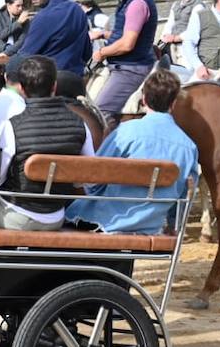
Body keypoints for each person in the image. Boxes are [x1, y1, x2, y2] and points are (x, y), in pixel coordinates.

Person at [66, 69, 198, 234]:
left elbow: (95, 178)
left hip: (104, 222)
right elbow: (184, 196)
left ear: (143, 99)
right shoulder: (188, 146)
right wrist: (172, 224)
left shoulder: (126, 132)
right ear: (174, 103)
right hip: (151, 226)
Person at [0, 55, 95, 231]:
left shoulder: (13, 125)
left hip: (16, 215)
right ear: (54, 85)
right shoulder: (80, 124)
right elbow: (86, 177)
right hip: (56, 216)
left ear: (21, 88)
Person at [92, 0, 158, 126]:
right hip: (124, 64)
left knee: (100, 112)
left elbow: (127, 43)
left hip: (130, 68)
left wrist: (101, 52)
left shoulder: (137, 3)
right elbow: (122, 33)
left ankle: (109, 151)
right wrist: (103, 35)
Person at [12, 0, 90, 98]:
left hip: (49, 89)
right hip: (77, 85)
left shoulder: (44, 17)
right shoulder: (78, 11)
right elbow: (87, 52)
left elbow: (23, 58)